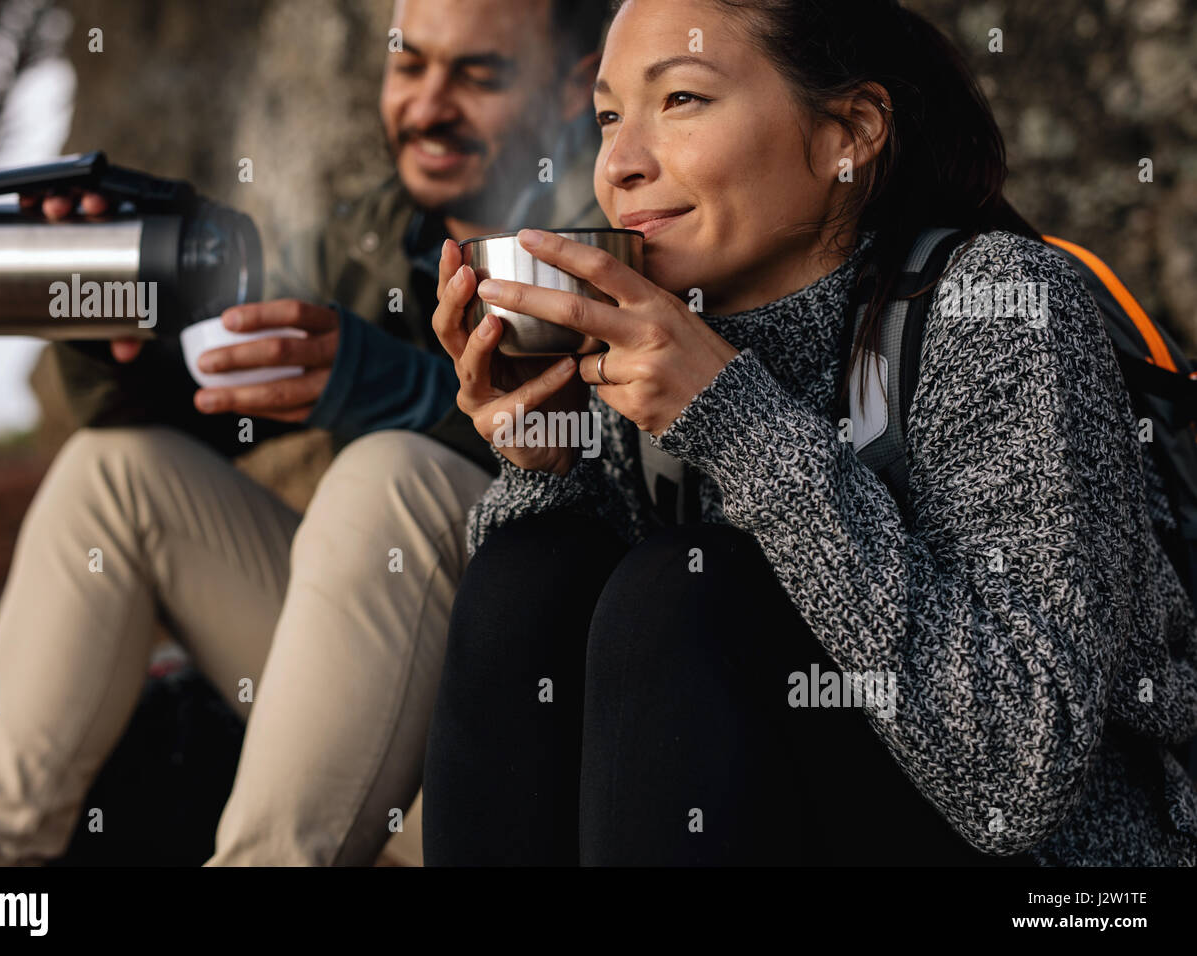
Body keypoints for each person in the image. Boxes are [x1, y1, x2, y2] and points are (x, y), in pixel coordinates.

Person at [423, 0, 1197, 865]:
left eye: (680, 99)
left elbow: (1020, 776)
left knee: (682, 591)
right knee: (527, 577)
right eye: (607, 116)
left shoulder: (996, 306)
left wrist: (734, 417)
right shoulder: (653, 333)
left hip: (1066, 883)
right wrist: (546, 460)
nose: (618, 165)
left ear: (850, 133)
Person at [0, 0, 609, 867]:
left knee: (388, 471)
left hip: (541, 775)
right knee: (118, 472)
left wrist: (392, 391)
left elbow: (637, 469)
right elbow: (198, 398)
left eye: (477, 74)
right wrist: (108, 324)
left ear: (578, 87)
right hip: (384, 743)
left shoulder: (615, 223)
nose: (427, 105)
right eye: (409, 65)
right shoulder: (375, 234)